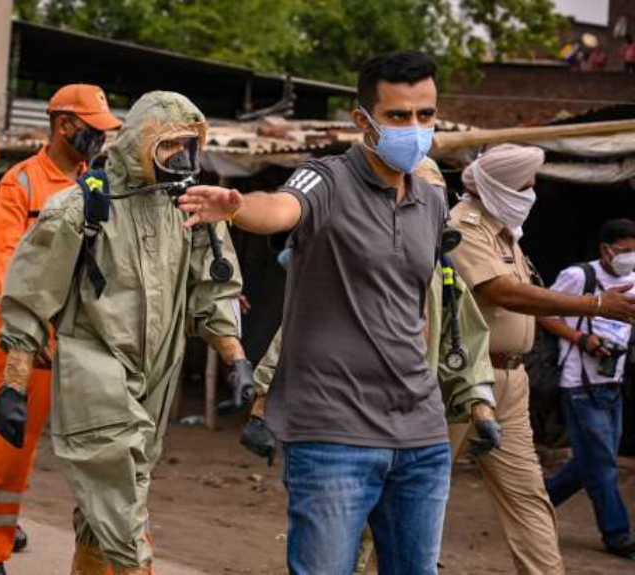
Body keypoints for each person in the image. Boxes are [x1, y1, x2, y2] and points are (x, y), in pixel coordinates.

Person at [177, 51, 498, 574]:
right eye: (398, 116)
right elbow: (279, 207)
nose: (414, 129)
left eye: (425, 115)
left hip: (420, 436)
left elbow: (421, 310)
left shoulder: (432, 202)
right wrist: (236, 207)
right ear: (363, 121)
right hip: (333, 436)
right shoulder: (326, 179)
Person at [0, 90, 251, 575]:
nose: (182, 156)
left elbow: (213, 292)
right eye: (169, 144)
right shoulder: (80, 209)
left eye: (188, 145)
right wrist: (13, 385)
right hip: (96, 374)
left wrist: (236, 359)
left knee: (105, 507)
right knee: (120, 503)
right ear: (138, 143)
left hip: (157, 377)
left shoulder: (191, 212)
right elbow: (29, 300)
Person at [241, 157, 500, 574]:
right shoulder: (338, 268)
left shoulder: (445, 280)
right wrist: (261, 404)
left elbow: (466, 343)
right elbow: (290, 337)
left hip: (416, 432)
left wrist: (481, 406)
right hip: (336, 431)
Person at [447, 145, 635, 574]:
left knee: (527, 495)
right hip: (462, 379)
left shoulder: (506, 234)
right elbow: (501, 292)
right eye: (525, 186)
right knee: (417, 490)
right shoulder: (462, 227)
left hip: (511, 380)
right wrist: (593, 305)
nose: (532, 194)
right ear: (497, 187)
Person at [0, 84, 121, 575]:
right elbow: (5, 266)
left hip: (89, 345)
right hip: (36, 347)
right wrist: (34, 335)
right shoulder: (21, 184)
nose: (101, 138)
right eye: (94, 129)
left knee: (109, 454)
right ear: (63, 125)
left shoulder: (100, 182)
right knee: (10, 446)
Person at [540, 218, 635, 560]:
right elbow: (543, 312)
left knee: (589, 463)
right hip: (580, 383)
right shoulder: (580, 276)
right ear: (605, 250)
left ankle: (536, 507)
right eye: (625, 251)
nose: (630, 258)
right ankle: (618, 534)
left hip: (613, 382)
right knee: (604, 463)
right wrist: (583, 338)